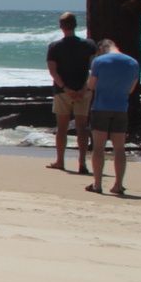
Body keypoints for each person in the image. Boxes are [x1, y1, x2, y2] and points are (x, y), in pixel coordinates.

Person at [84, 38, 140, 196]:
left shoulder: (99, 61)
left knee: (98, 148)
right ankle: (118, 184)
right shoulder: (133, 63)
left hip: (101, 107)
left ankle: (97, 184)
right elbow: (130, 89)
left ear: (101, 48)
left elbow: (91, 85)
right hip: (121, 108)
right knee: (119, 149)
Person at [46, 12, 96, 173]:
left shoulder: (55, 46)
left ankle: (60, 161)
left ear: (61, 26)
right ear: (75, 25)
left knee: (62, 127)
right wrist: (84, 88)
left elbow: (53, 72)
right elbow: (94, 69)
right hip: (82, 90)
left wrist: (66, 88)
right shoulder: (88, 45)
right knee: (82, 127)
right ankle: (82, 162)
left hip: (62, 92)